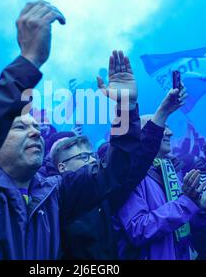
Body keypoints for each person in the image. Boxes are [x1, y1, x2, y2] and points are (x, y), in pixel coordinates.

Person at [0, 1, 151, 260]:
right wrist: (27, 62)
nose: (35, 132)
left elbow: (116, 168)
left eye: (36, 127)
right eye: (20, 126)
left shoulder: (56, 193)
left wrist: (125, 106)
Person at [52, 85, 184, 260]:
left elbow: (133, 161)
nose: (92, 160)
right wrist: (185, 204)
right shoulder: (53, 197)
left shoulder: (107, 196)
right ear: (62, 167)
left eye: (92, 156)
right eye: (83, 157)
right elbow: (140, 229)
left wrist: (159, 112)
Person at [114, 116, 206, 260]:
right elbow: (139, 230)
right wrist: (186, 203)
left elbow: (187, 223)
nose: (170, 132)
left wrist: (203, 203)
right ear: (146, 134)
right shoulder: (130, 176)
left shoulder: (170, 170)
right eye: (163, 126)